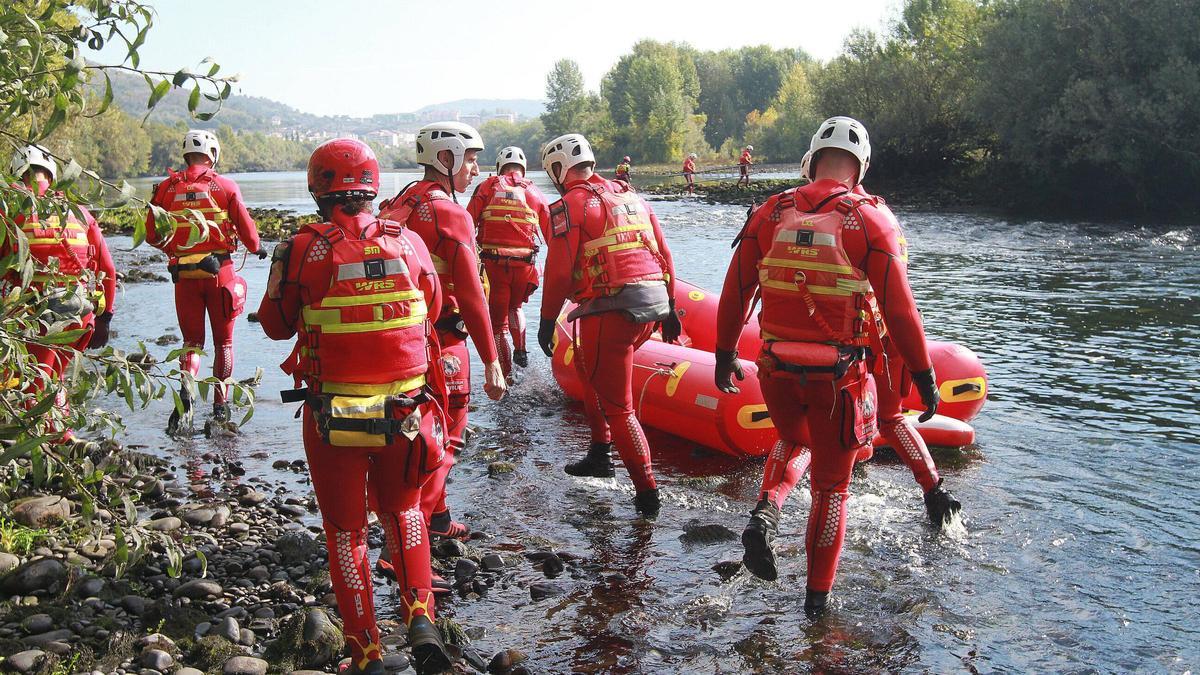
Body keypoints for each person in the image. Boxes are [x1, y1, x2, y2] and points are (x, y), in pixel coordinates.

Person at [714, 117, 939, 614]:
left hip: (774, 366)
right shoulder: (871, 218)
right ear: (860, 167)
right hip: (840, 377)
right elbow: (901, 310)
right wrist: (923, 375)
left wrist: (724, 356)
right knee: (833, 488)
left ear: (811, 157)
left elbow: (735, 293)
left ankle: (767, 510)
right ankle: (817, 605)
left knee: (794, 441)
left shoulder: (770, 212)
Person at [257, 139, 451, 674]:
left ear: (317, 186)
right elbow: (430, 308)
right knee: (405, 513)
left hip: (333, 416)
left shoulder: (300, 248)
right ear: (371, 186)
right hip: (407, 412)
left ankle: (365, 651)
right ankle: (419, 614)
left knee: (347, 532)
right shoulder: (408, 241)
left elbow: (274, 326)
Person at [537, 133, 682, 517]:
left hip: (612, 311)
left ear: (557, 169)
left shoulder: (570, 205)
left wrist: (546, 319)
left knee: (620, 409)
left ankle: (647, 497)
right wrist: (673, 310)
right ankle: (600, 452)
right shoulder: (629, 194)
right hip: (651, 305)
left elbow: (558, 271)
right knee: (588, 365)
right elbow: (663, 253)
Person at [379, 122, 506, 540]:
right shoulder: (451, 213)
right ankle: (415, 540)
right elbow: (471, 295)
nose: (476, 168)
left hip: (400, 343)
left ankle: (436, 516)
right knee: (446, 440)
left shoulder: (399, 202)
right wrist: (492, 361)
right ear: (446, 158)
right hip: (445, 342)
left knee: (413, 436)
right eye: (470, 159)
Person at [145, 129, 265, 432]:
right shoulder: (224, 185)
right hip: (219, 273)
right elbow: (247, 230)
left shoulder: (165, 189)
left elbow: (151, 234)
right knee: (224, 343)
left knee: (191, 343)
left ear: (185, 155)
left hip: (183, 274)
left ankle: (186, 395)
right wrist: (258, 248)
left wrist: (173, 252)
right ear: (213, 154)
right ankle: (219, 407)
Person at [4, 145, 117, 440]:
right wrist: (105, 318)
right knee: (54, 379)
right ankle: (63, 439)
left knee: (36, 382)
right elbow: (108, 270)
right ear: (52, 175)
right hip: (80, 313)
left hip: (37, 313)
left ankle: (52, 442)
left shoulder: (9, 212)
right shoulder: (80, 212)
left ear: (17, 174)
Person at [466, 146, 551, 378]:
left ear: (499, 167)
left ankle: (505, 376)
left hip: (495, 266)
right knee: (516, 308)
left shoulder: (488, 186)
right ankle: (521, 351)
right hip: (525, 265)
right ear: (522, 168)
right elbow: (552, 235)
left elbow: (466, 222)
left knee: (498, 326)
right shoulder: (534, 191)